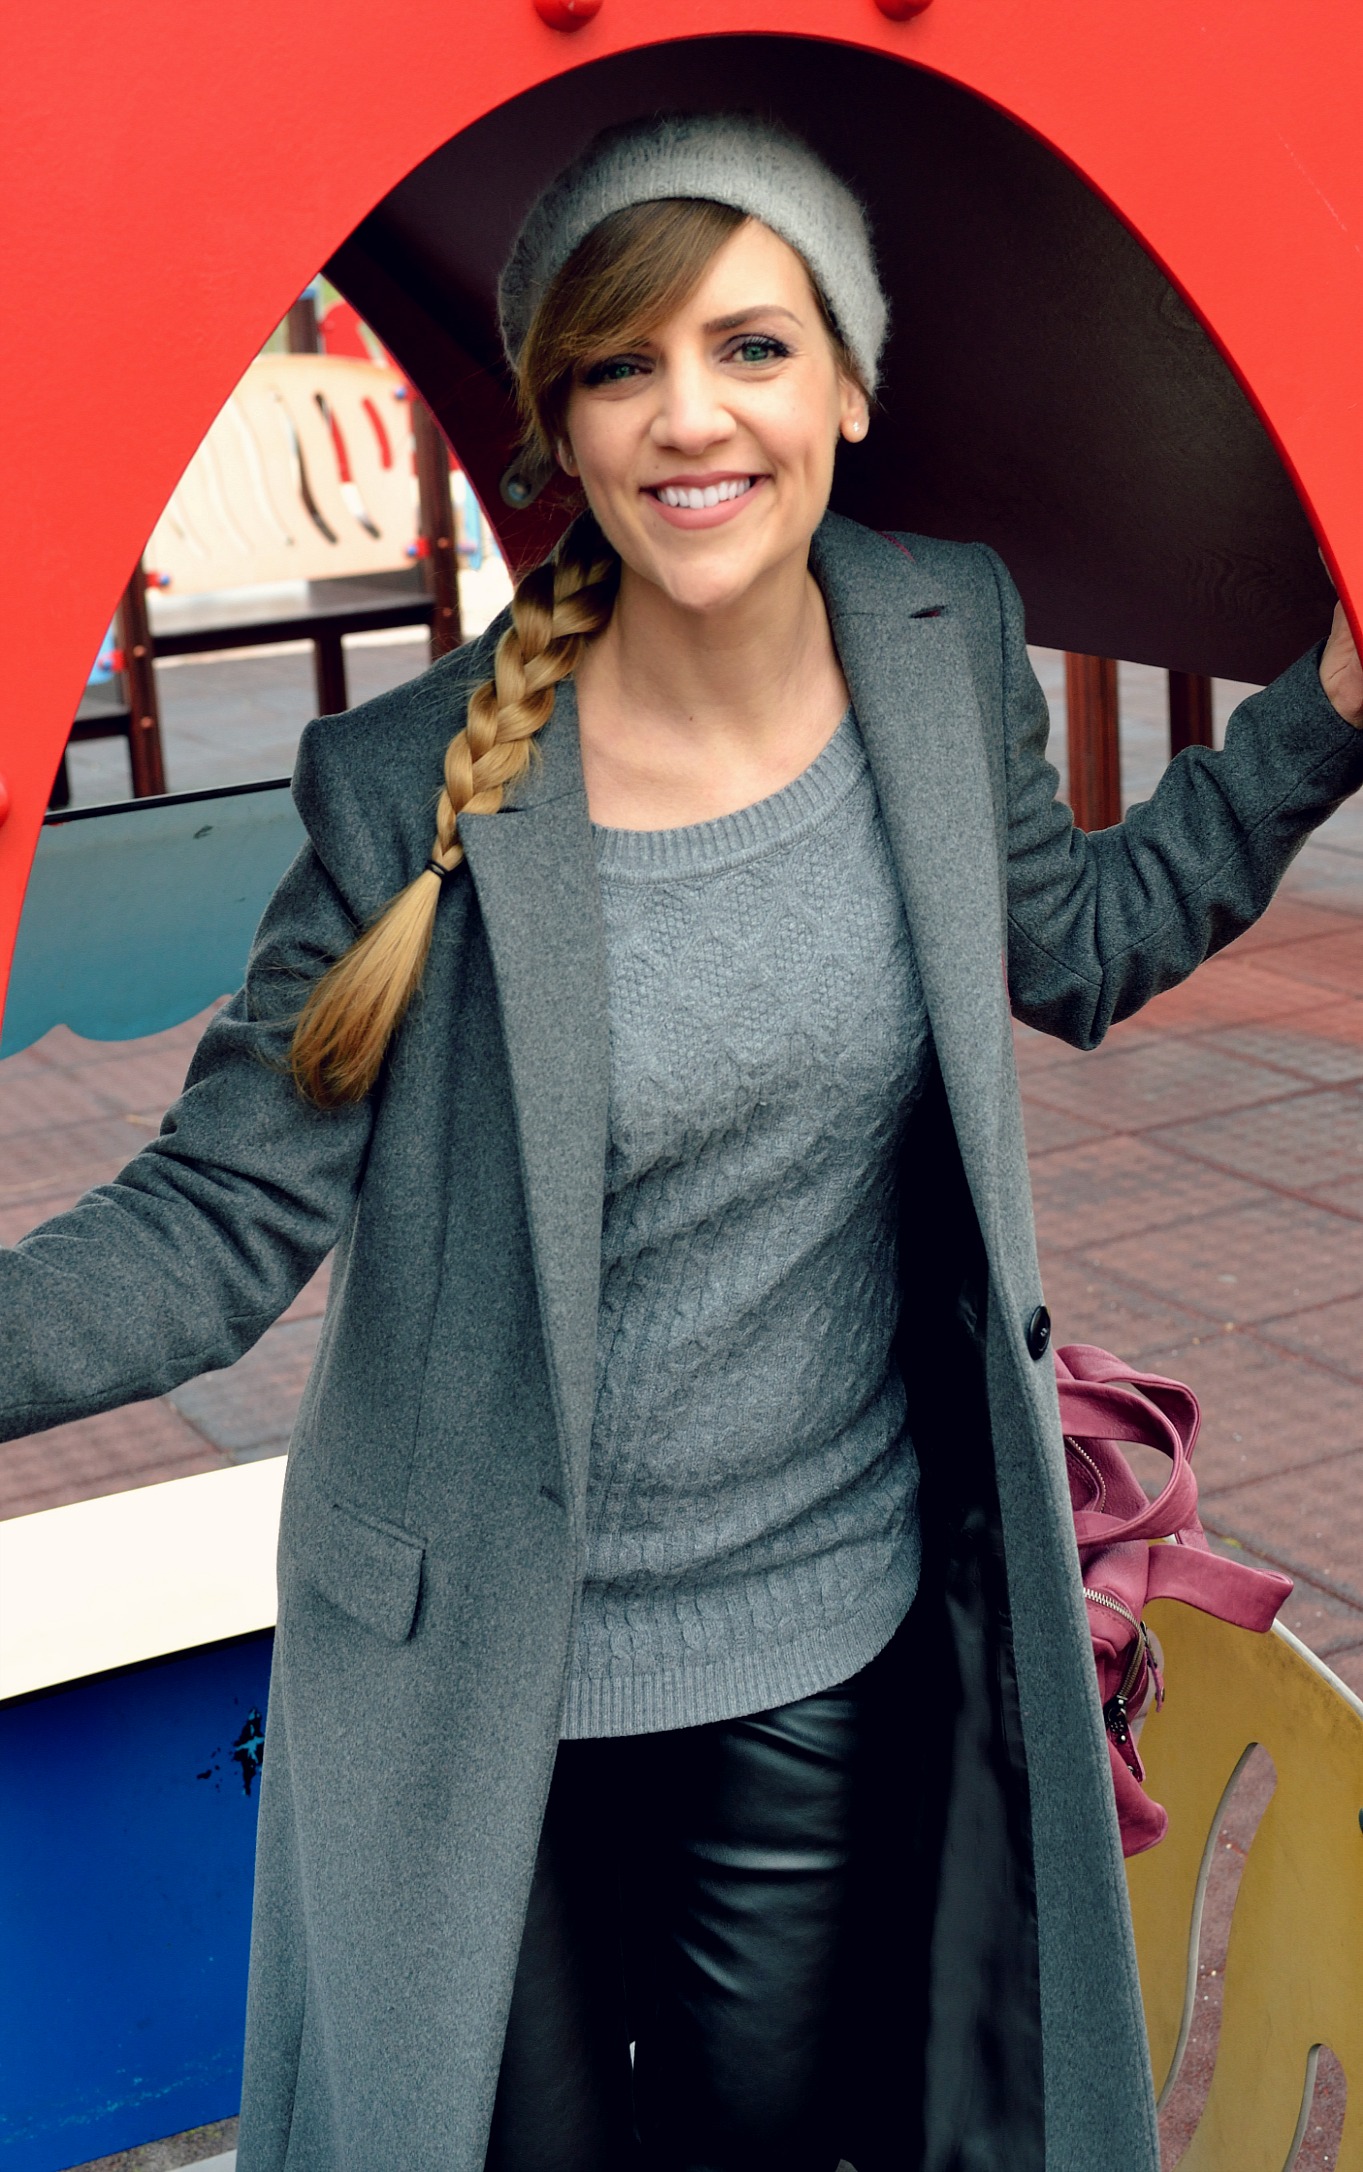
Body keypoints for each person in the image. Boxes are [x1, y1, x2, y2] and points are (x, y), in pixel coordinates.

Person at [4, 114, 1361, 2172]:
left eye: (751, 346)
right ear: (559, 423)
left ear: (850, 387)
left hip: (814, 1643)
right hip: (471, 1674)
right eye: (621, 364)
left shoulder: (940, 642)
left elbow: (1080, 944)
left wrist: (1324, 704)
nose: (691, 416)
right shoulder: (411, 789)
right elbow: (208, 1222)